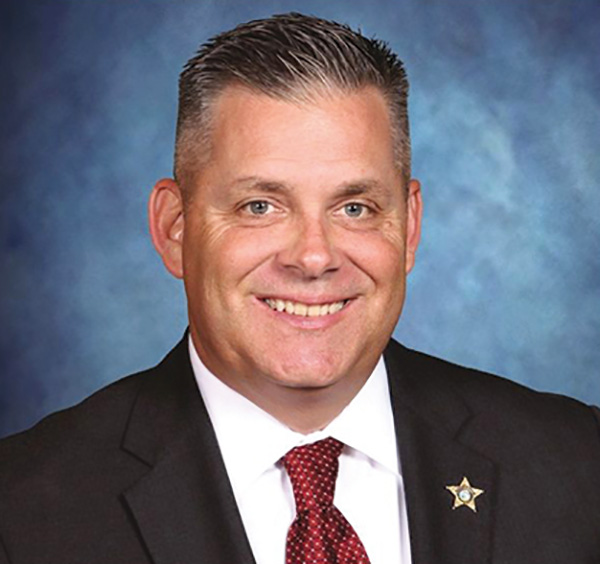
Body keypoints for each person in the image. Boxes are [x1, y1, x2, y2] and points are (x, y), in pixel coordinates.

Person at [1, 12, 599, 564]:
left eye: (355, 208)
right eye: (260, 206)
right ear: (174, 228)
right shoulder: (23, 511)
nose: (314, 257)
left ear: (410, 227)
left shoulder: (579, 466)